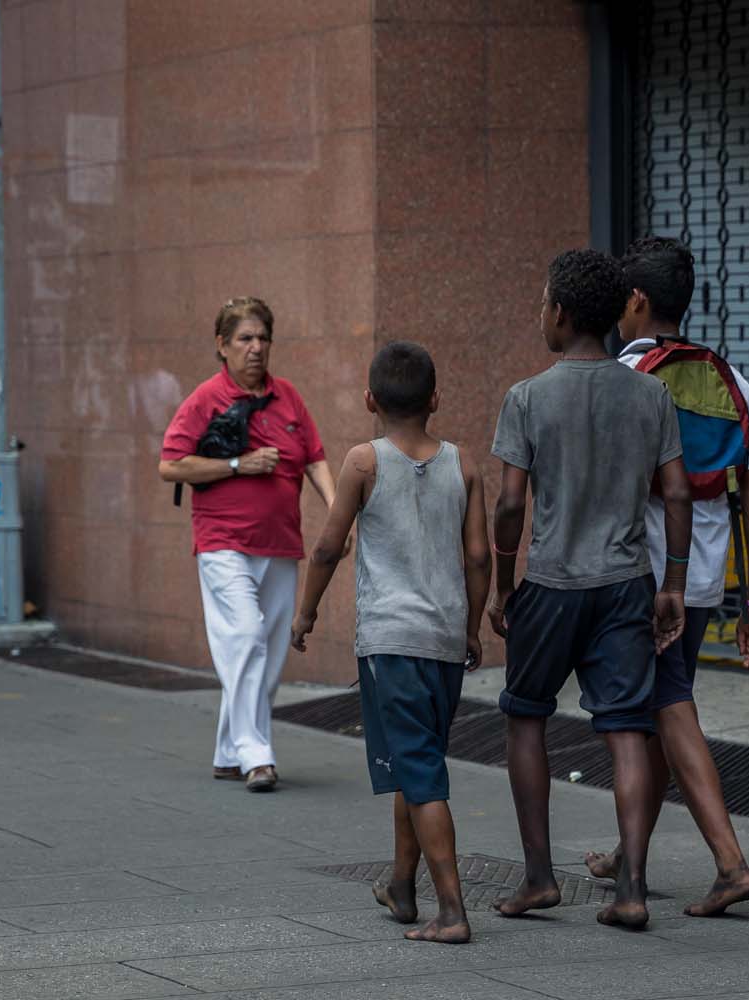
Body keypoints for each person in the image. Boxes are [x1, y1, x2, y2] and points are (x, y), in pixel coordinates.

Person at [489, 248, 692, 930]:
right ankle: (631, 888)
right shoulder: (650, 393)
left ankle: (540, 877)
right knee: (629, 730)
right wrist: (674, 584)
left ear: (562, 314)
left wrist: (501, 581)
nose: (540, 314)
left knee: (525, 716)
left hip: (551, 581)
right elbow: (676, 494)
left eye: (543, 303)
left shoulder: (527, 397)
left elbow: (511, 504)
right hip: (627, 582)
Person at [581, 236, 749, 916]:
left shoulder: (619, 378)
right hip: (704, 580)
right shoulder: (731, 378)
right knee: (668, 703)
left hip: (644, 579)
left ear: (633, 301)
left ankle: (730, 862)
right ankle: (628, 854)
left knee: (669, 705)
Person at [290, 341, 489, 945]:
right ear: (436, 399)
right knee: (416, 758)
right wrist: (473, 626)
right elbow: (478, 556)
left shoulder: (362, 462)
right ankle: (402, 886)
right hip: (444, 642)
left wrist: (305, 614)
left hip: (391, 642)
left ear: (369, 399)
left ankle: (451, 910)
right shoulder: (465, 463)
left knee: (421, 771)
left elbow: (327, 547)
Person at [159, 296, 334, 793]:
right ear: (222, 345)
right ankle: (258, 755)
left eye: (263, 338)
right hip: (222, 542)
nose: (256, 348)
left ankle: (226, 753)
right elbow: (171, 464)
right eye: (245, 339)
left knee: (267, 653)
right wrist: (239, 465)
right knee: (246, 637)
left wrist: (339, 512)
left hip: (279, 543)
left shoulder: (289, 398)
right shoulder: (204, 399)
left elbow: (315, 460)